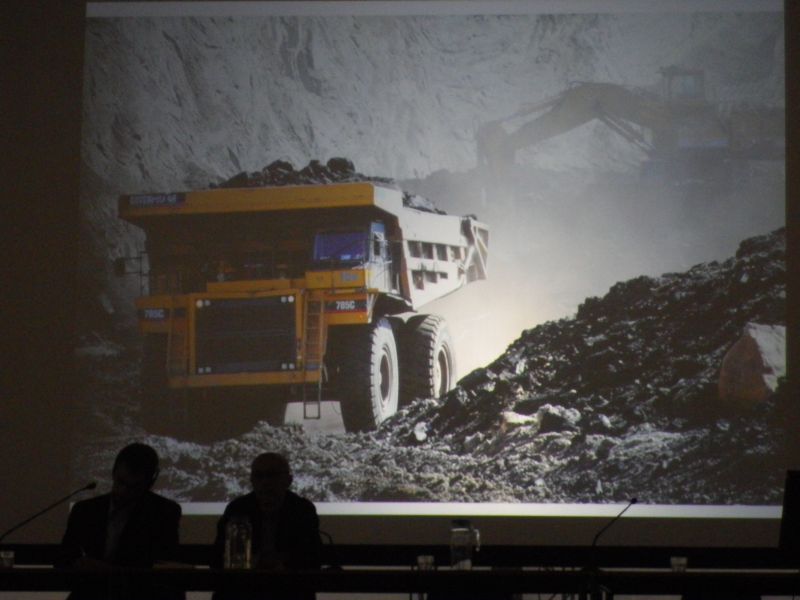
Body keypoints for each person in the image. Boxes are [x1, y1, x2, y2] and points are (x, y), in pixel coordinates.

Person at [59, 442, 183, 600]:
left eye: (134, 487)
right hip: (91, 594)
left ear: (149, 483)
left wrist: (108, 570)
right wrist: (78, 562)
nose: (123, 491)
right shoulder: (85, 510)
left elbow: (159, 564)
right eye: (120, 482)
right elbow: (64, 557)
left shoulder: (163, 512)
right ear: (113, 473)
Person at [212, 452, 321, 599]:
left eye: (272, 475)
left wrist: (280, 565)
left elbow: (311, 557)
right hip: (243, 587)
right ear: (252, 480)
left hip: (288, 587)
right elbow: (217, 556)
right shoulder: (238, 508)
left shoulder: (301, 509)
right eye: (259, 476)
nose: (265, 482)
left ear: (288, 480)